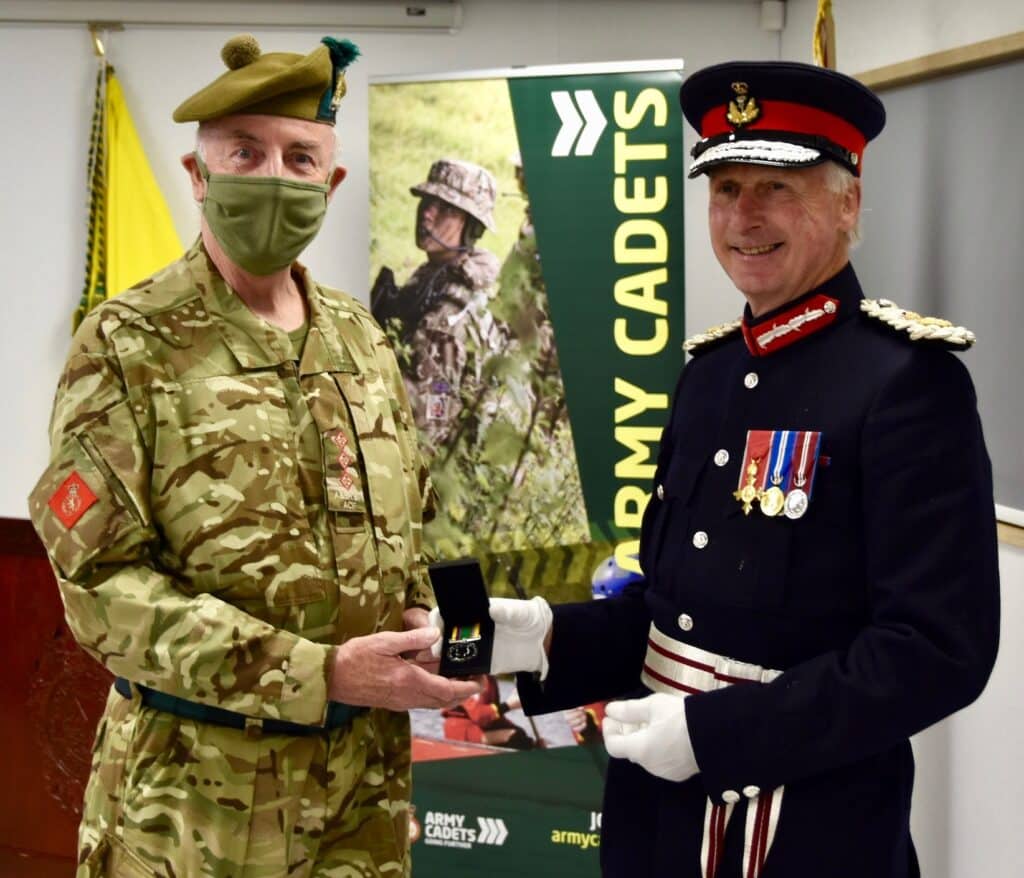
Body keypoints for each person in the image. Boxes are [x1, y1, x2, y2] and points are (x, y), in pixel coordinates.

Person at [433, 61, 1001, 876]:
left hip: (805, 831)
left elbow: (936, 650)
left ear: (848, 202)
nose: (743, 217)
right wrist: (550, 635)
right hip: (655, 815)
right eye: (725, 187)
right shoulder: (708, 374)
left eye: (776, 187)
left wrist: (715, 736)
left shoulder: (907, 383)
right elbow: (681, 620)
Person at [28, 34, 480, 878]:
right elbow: (99, 588)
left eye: (300, 157)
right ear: (199, 177)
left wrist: (420, 613)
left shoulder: (361, 337)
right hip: (196, 805)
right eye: (246, 152)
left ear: (331, 182)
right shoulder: (130, 344)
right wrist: (318, 673)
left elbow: (403, 525)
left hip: (363, 798)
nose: (274, 176)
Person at [371, 158, 505, 459]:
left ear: (471, 227)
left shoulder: (450, 311)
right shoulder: (437, 273)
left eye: (445, 208)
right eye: (428, 202)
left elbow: (425, 423)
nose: (427, 214)